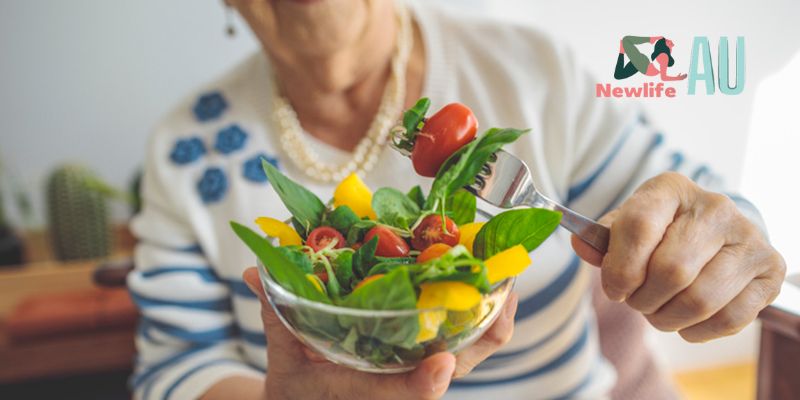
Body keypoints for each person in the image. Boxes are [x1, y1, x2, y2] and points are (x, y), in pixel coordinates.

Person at [127, 1, 786, 399]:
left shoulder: (526, 70)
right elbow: (174, 372)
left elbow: (695, 199)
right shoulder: (185, 149)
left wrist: (728, 237)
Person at [614, 36, 688, 81]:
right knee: (626, 40)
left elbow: (663, 77)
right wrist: (677, 78)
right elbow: (663, 77)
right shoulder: (664, 56)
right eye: (669, 41)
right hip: (643, 65)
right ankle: (650, 39)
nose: (672, 42)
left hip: (644, 64)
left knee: (618, 75)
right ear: (665, 45)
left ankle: (621, 51)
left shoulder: (664, 55)